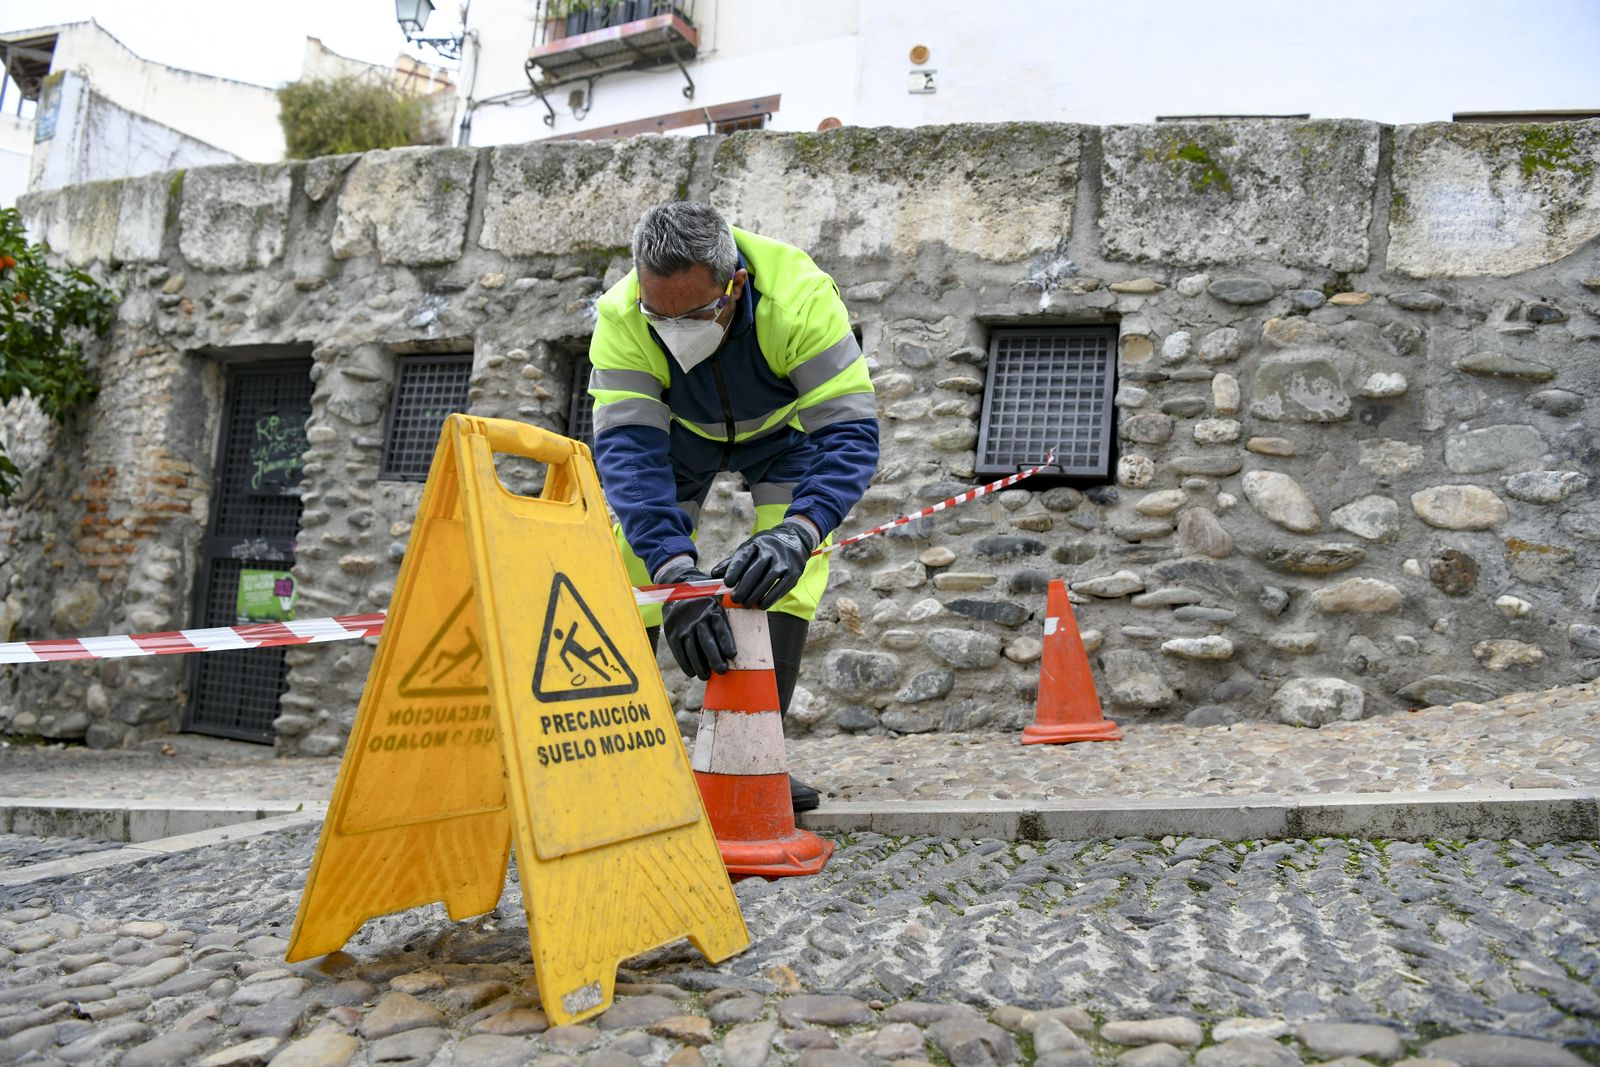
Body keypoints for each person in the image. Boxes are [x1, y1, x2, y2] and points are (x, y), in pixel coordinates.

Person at [587, 201, 879, 812]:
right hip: (676, 439)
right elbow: (631, 460)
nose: (671, 327)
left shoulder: (799, 296)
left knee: (793, 572)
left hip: (781, 439)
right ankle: (617, 760)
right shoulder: (620, 315)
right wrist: (676, 577)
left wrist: (799, 532)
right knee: (630, 564)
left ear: (735, 284)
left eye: (693, 313)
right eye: (656, 314)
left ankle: (754, 756)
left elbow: (849, 433)